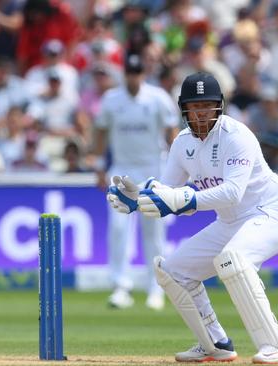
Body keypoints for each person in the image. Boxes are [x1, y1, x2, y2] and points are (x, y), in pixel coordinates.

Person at [107, 72, 278, 364]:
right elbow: (167, 193)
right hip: (231, 222)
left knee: (232, 259)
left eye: (208, 105)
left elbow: (232, 193)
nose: (202, 112)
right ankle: (215, 343)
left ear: (220, 106)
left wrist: (187, 200)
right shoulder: (182, 143)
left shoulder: (238, 136)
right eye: (196, 106)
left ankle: (274, 346)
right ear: (184, 109)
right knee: (173, 271)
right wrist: (137, 198)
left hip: (273, 212)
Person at [93, 53, 180, 310]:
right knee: (118, 229)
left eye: (137, 72)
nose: (133, 77)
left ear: (144, 73)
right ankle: (120, 287)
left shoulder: (157, 99)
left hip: (153, 171)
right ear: (124, 74)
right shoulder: (112, 100)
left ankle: (156, 288)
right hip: (121, 172)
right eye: (130, 73)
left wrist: (175, 171)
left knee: (153, 231)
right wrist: (99, 166)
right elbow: (100, 131)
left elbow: (172, 133)